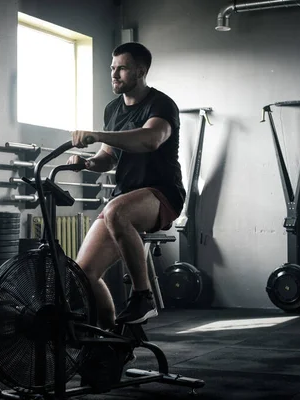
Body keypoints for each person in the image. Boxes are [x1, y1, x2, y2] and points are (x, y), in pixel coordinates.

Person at [67, 42, 185, 331]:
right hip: (126, 197)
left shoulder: (161, 104)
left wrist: (96, 134)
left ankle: (143, 296)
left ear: (140, 71)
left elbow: (150, 140)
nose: (114, 74)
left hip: (162, 194)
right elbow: (107, 158)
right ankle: (113, 341)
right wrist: (86, 163)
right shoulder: (113, 110)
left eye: (121, 68)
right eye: (112, 68)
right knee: (84, 273)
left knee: (116, 210)